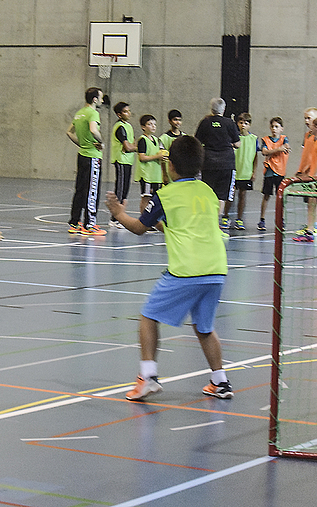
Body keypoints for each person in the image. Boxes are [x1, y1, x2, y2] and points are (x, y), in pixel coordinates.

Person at [105, 135, 233, 401]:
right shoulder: (208, 192)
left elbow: (139, 228)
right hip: (216, 269)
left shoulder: (165, 195)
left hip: (186, 269)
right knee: (204, 327)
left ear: (170, 166)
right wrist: (164, 224)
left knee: (148, 317)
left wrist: (118, 214)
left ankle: (148, 377)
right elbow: (187, 226)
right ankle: (220, 381)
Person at [194, 98, 240, 231]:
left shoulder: (205, 122)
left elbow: (197, 141)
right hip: (226, 163)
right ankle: (215, 223)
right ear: (223, 109)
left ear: (211, 109)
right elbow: (237, 143)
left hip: (208, 163)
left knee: (208, 192)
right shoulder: (229, 123)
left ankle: (206, 221)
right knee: (221, 195)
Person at [66, 87, 106, 236]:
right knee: (92, 190)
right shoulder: (93, 113)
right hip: (93, 157)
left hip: (82, 155)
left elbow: (69, 132)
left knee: (80, 190)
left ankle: (74, 223)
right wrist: (101, 143)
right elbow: (94, 130)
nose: (102, 100)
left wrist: (82, 144)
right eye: (100, 98)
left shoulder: (79, 113)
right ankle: (89, 224)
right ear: (95, 99)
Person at [223, 112, 259, 230]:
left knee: (242, 195)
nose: (243, 125)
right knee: (230, 196)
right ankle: (225, 216)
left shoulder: (254, 139)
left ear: (250, 125)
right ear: (237, 124)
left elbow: (255, 157)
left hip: (246, 173)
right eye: (241, 122)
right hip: (233, 171)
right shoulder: (233, 138)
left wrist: (254, 171)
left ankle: (239, 219)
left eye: (246, 123)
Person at [258, 117, 290, 231]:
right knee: (266, 195)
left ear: (281, 128)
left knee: (280, 197)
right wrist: (277, 150)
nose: (274, 129)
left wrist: (275, 151)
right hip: (269, 171)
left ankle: (281, 220)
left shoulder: (284, 139)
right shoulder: (266, 140)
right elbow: (264, 151)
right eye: (272, 126)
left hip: (280, 171)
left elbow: (286, 148)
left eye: (276, 126)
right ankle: (262, 220)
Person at [109, 102, 136, 228]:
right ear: (119, 115)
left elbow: (132, 145)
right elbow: (128, 146)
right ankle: (114, 218)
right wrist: (134, 148)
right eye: (125, 111)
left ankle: (121, 216)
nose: (129, 113)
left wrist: (132, 147)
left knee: (125, 189)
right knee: (120, 189)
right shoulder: (120, 127)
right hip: (120, 160)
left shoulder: (129, 126)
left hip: (128, 161)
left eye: (129, 111)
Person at [135, 114, 167, 216]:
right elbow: (142, 157)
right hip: (146, 175)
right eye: (150, 124)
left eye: (154, 124)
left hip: (155, 175)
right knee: (146, 198)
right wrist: (156, 157)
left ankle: (151, 220)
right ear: (143, 127)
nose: (153, 126)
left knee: (154, 199)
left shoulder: (156, 140)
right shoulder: (142, 140)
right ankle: (144, 222)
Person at [159, 109, 186, 184]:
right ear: (169, 121)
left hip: (183, 170)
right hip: (170, 171)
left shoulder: (185, 137)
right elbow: (163, 159)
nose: (178, 122)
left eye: (179, 120)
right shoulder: (164, 138)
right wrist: (164, 174)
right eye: (175, 120)